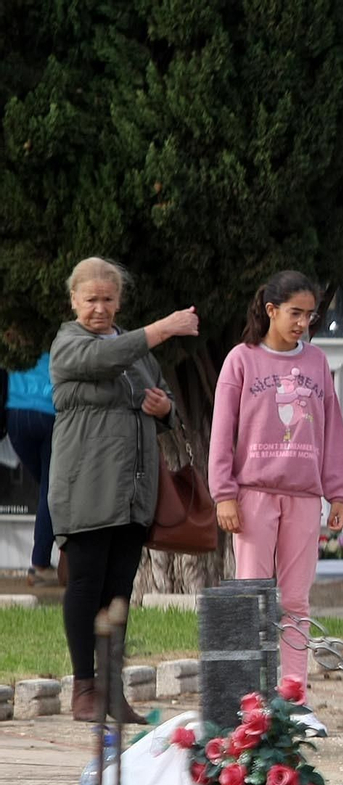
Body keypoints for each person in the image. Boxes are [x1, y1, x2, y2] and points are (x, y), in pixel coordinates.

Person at [50, 257, 198, 723]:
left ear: (119, 301)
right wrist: (162, 329)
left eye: (108, 299)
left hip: (134, 491)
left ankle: (113, 691)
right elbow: (102, 360)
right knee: (86, 583)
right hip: (87, 486)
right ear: (73, 300)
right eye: (90, 299)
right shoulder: (68, 343)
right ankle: (84, 690)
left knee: (118, 591)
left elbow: (165, 401)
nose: (99, 308)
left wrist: (163, 408)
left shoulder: (138, 352)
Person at [210, 271, 343, 690]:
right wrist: (224, 494)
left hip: (304, 498)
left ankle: (293, 694)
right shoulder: (241, 359)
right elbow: (222, 431)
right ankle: (247, 695)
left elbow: (332, 429)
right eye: (295, 313)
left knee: (295, 600)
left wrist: (339, 493)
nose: (303, 323)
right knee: (250, 597)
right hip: (253, 495)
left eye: (310, 315)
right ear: (271, 310)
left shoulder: (317, 362)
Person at [8, 352, 58, 584]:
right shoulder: (63, 335)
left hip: (15, 413)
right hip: (51, 412)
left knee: (50, 490)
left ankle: (46, 560)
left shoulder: (15, 336)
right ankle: (40, 564)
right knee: (53, 491)